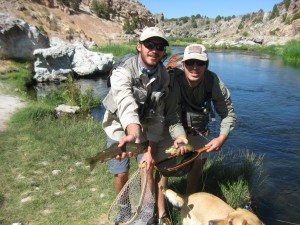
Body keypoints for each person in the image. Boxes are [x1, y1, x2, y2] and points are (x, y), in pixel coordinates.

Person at [155, 43, 237, 219]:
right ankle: (161, 214)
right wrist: (180, 138)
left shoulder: (213, 81)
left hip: (197, 128)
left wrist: (222, 138)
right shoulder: (174, 81)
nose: (195, 67)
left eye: (200, 63)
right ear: (183, 64)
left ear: (206, 65)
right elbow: (172, 117)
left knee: (198, 162)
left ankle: (190, 203)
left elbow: (228, 114)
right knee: (163, 168)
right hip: (171, 126)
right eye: (190, 62)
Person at [101, 26, 170, 224]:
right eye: (149, 44)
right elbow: (126, 103)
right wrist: (132, 133)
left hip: (147, 126)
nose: (154, 49)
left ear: (163, 52)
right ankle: (123, 211)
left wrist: (151, 148)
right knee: (121, 171)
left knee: (146, 168)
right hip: (118, 126)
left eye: (160, 46)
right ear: (139, 46)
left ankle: (147, 214)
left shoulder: (164, 76)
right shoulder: (122, 71)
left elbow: (158, 117)